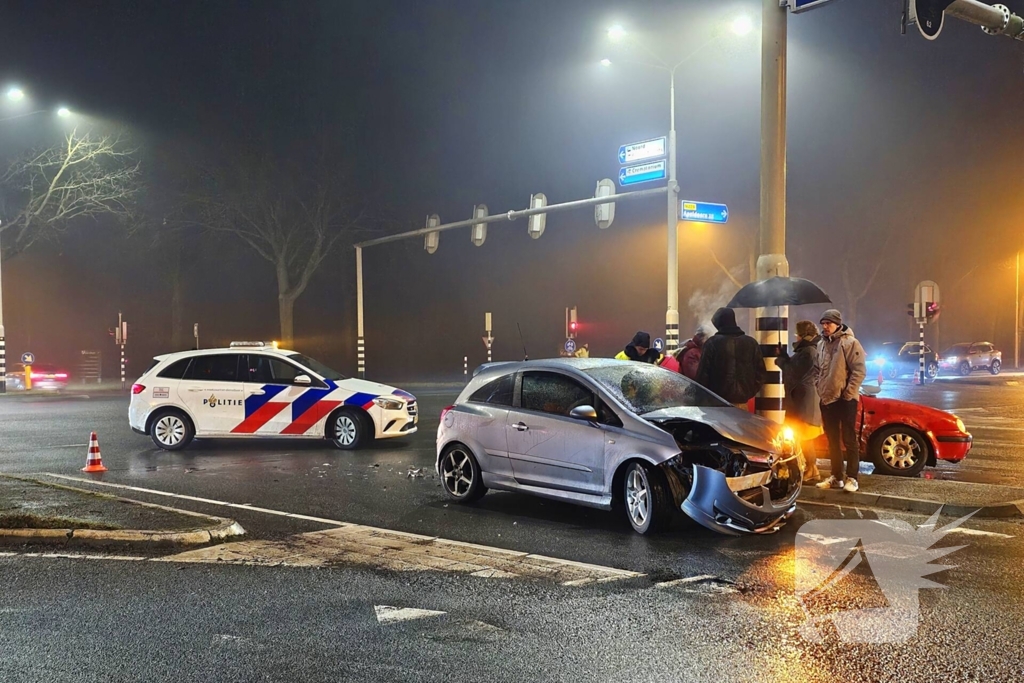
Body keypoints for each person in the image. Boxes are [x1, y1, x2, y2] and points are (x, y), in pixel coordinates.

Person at [815, 309, 867, 493]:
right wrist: (820, 388)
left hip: (845, 400)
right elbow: (817, 370)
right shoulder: (821, 344)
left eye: (828, 323)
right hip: (827, 399)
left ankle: (852, 477)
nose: (825, 327)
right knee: (832, 440)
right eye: (823, 323)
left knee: (849, 439)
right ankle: (836, 476)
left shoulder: (849, 343)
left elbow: (859, 370)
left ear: (837, 323)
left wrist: (848, 394)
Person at [776, 320, 824, 483]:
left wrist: (782, 359)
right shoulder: (811, 350)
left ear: (803, 335)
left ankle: (812, 469)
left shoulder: (808, 352)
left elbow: (792, 373)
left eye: (797, 333)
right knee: (802, 437)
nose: (795, 336)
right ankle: (810, 468)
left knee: (804, 437)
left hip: (803, 402)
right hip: (804, 400)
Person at [695, 307, 766, 407]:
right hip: (742, 403)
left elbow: (702, 375)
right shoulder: (751, 343)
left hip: (717, 404)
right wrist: (748, 392)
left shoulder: (712, 343)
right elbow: (761, 374)